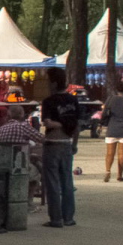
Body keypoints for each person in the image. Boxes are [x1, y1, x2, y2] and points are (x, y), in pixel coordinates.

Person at [40, 69, 80, 228]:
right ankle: (68, 217)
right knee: (67, 182)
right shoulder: (73, 100)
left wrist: (58, 124)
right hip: (67, 143)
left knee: (53, 183)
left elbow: (48, 123)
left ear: (54, 83)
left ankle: (56, 219)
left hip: (52, 143)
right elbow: (77, 125)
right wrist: (75, 144)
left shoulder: (48, 101)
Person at [102, 83, 123, 182]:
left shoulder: (110, 99)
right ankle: (119, 175)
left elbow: (104, 113)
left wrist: (101, 124)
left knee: (109, 153)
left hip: (112, 127)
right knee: (122, 154)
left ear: (117, 90)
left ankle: (108, 171)